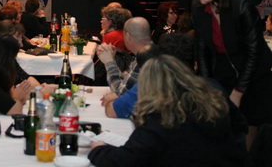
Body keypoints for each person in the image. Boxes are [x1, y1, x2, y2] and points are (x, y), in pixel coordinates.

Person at [89, 55, 245, 167]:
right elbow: (240, 127)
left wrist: (98, 149)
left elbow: (125, 160)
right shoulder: (214, 94)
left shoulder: (160, 120)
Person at [192, 0, 272, 148]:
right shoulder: (197, 7)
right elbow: (202, 49)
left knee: (251, 126)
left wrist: (238, 92)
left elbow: (254, 54)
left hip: (255, 73)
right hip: (224, 69)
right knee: (223, 126)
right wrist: (205, 86)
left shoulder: (241, 6)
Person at [96, 17, 153, 96]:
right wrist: (112, 61)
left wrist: (109, 62)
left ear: (128, 36)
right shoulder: (151, 52)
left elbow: (120, 93)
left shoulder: (143, 59)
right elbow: (127, 81)